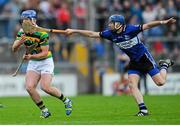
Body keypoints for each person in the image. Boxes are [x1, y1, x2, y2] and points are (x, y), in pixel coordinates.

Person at [65, 14, 176, 116]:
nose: (109, 25)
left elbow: (148, 25)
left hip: (144, 59)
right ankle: (143, 110)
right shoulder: (110, 34)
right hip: (133, 61)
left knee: (160, 82)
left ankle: (164, 65)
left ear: (118, 24)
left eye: (111, 23)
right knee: (132, 85)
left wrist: (163, 22)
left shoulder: (131, 29)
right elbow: (92, 34)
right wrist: (74, 30)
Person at [12, 10, 72, 118]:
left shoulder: (42, 33)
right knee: (29, 87)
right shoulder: (21, 32)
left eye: (27, 20)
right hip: (33, 63)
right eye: (23, 20)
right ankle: (44, 110)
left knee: (45, 87)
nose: (24, 22)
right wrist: (20, 42)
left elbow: (44, 53)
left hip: (46, 62)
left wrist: (31, 56)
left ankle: (66, 100)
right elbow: (14, 49)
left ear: (33, 20)